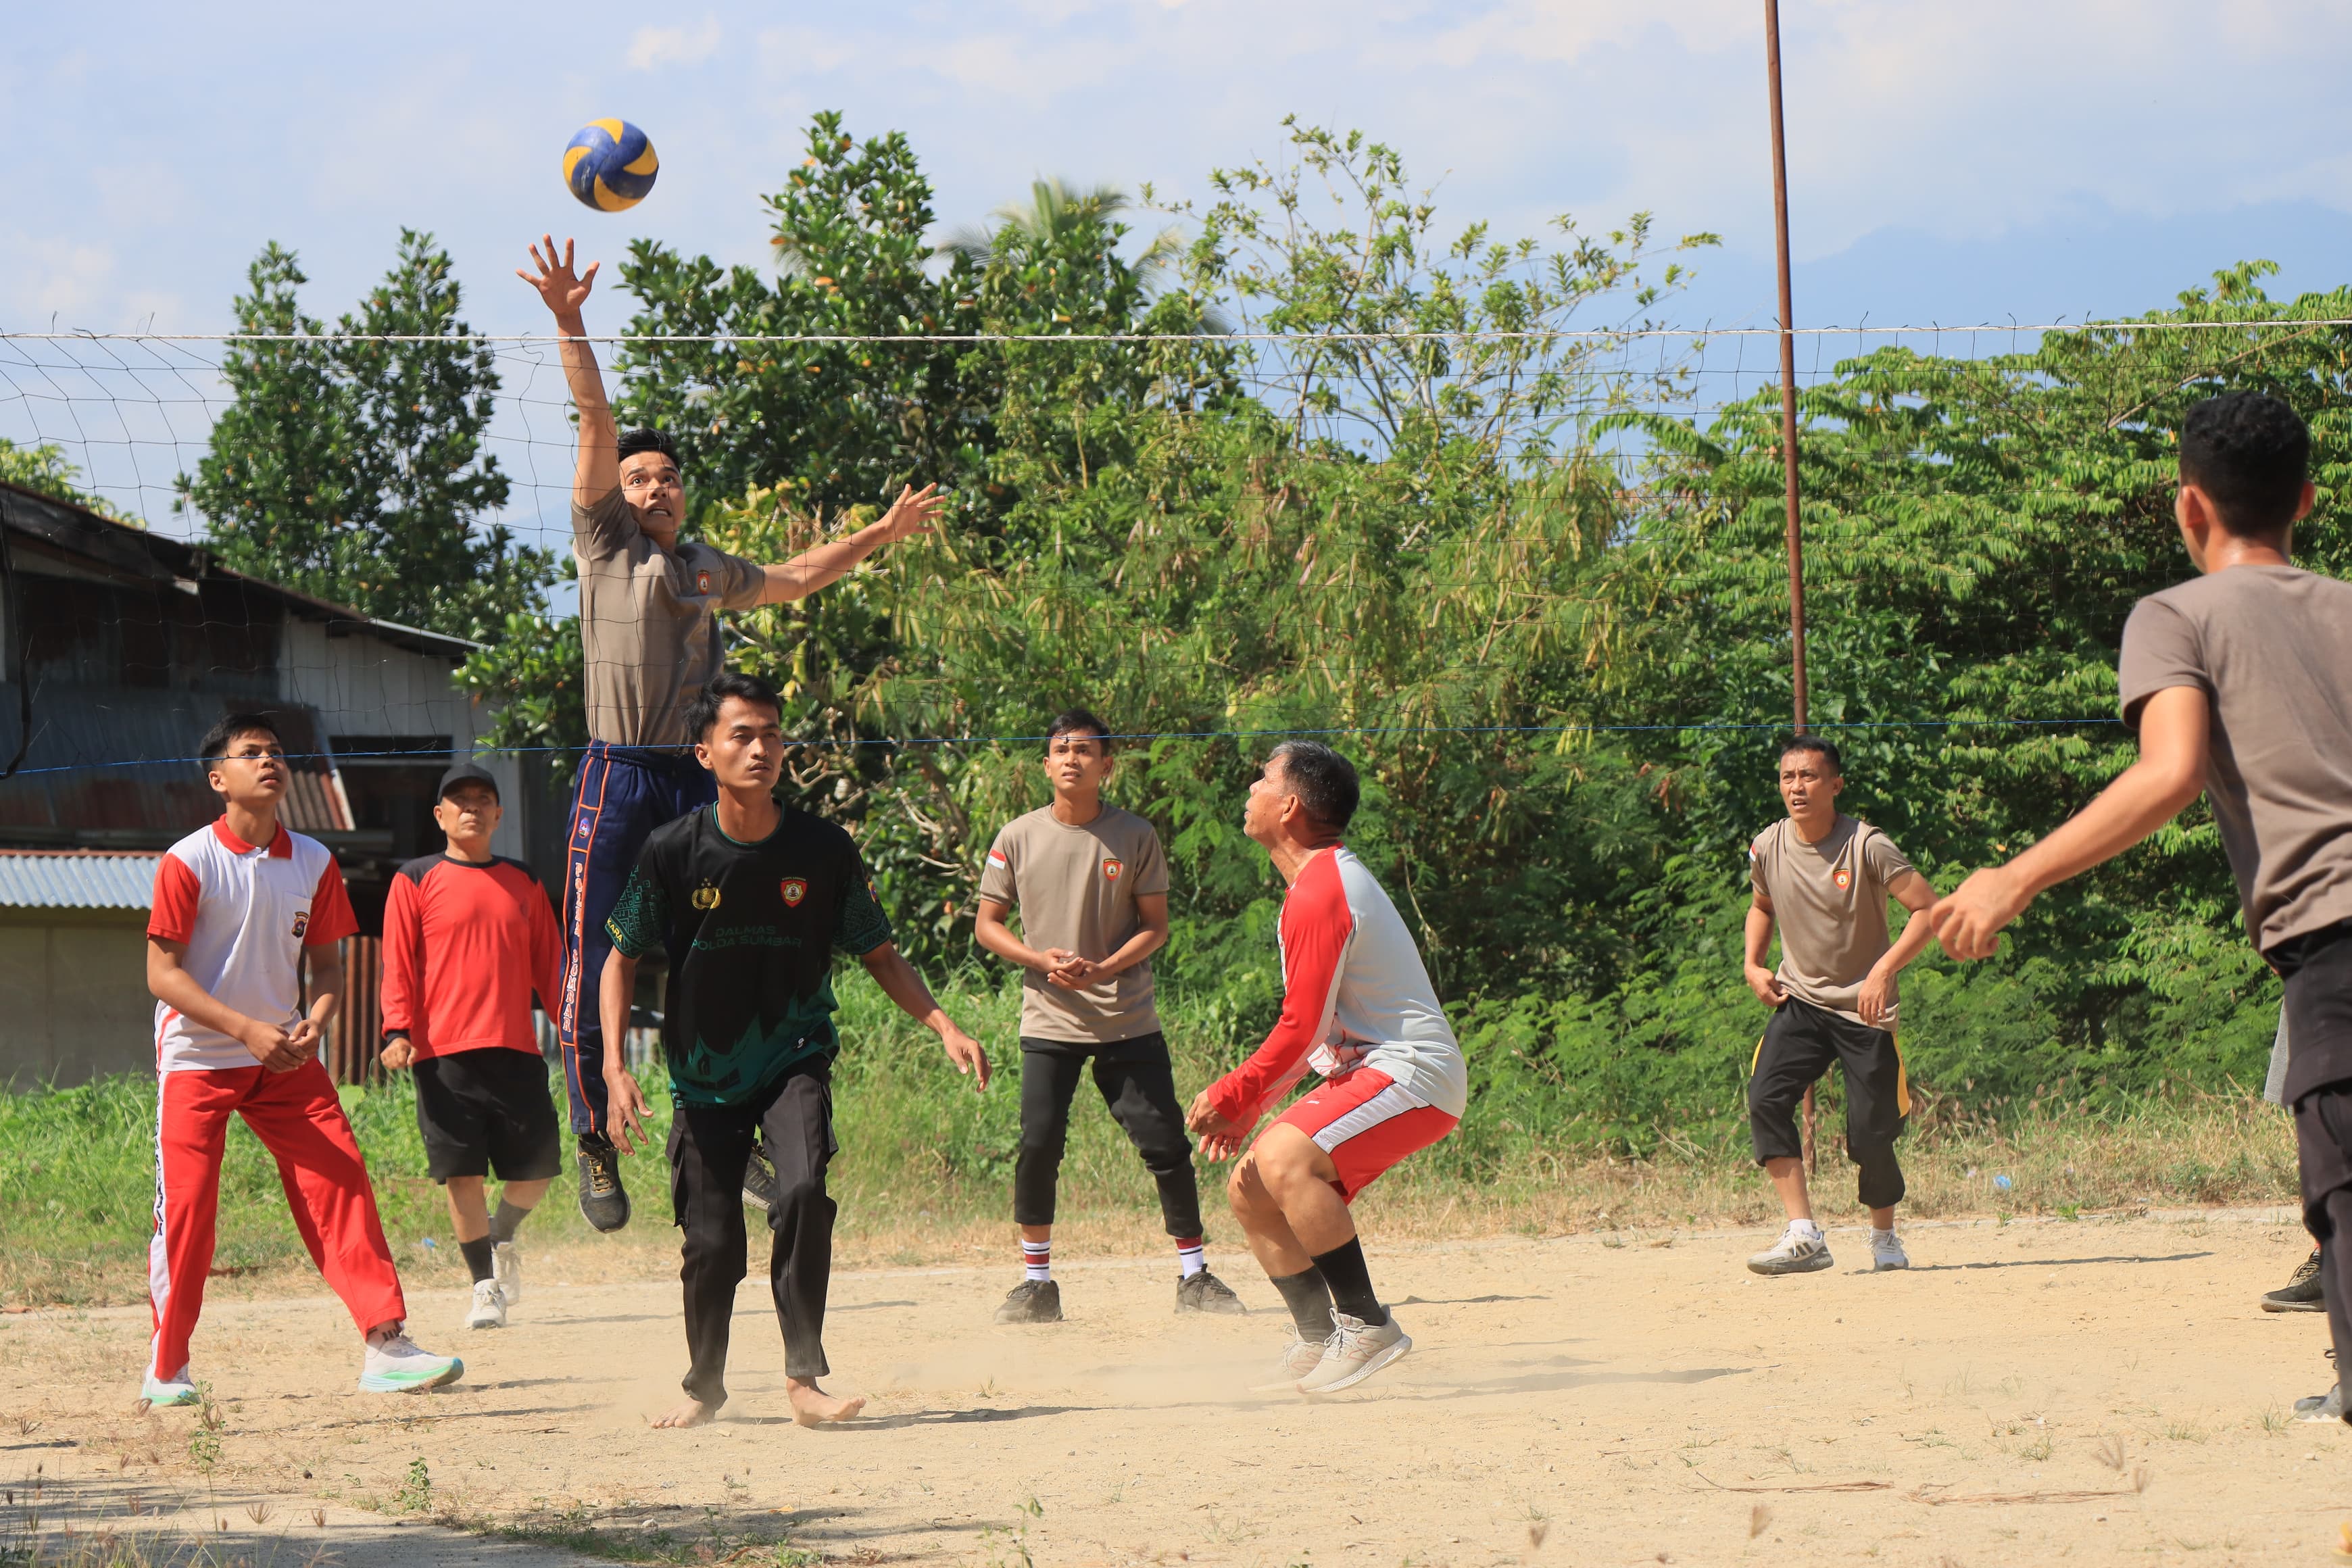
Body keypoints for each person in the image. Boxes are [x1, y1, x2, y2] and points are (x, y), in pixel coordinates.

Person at [1930, 391, 2352, 1421]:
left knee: (2343, 1175)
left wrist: (2013, 876)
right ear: (2305, 499)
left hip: (2333, 931)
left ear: (2189, 509)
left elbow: (2167, 775)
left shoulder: (2177, 615)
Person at [519, 235, 948, 1232]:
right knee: (595, 954)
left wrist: (882, 535)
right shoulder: (603, 542)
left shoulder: (708, 565)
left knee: (723, 951)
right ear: (614, 496)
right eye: (638, 478)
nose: (653, 488)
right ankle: (593, 1133)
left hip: (699, 783)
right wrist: (570, 321)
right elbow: (594, 415)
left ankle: (726, 1123)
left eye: (666, 477)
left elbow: (798, 578)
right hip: (619, 776)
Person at [599, 673, 989, 1428]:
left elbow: (879, 952)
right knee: (713, 1244)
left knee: (805, 1189)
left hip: (794, 1055)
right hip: (704, 1074)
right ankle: (703, 1388)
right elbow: (619, 956)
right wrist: (614, 1068)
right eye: (742, 734)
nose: (761, 747)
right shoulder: (672, 851)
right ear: (705, 752)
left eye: (772, 734)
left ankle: (803, 1379)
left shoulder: (821, 848)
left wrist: (943, 1023)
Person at [142, 713, 462, 1406]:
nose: (269, 761)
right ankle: (167, 1369)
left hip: (284, 1056)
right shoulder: (188, 860)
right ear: (217, 778)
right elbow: (162, 976)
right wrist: (244, 1030)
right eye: (250, 752)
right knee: (190, 1211)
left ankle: (386, 1345)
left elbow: (326, 966)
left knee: (341, 1176)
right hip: (198, 1056)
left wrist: (315, 1022)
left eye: (277, 752)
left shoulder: (314, 861)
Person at [1185, 742, 1467, 1394]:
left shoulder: (1323, 889)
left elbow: (1301, 1027)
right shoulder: (1315, 883)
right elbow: (1314, 1031)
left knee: (1285, 1161)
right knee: (1251, 1187)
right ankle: (1320, 1337)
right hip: (1373, 1069)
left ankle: (1369, 1326)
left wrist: (1234, 1092)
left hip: (1412, 1073)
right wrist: (1253, 1105)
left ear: (1288, 806)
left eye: (1262, 779)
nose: (1250, 789)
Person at [974, 709, 1242, 1323]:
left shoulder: (1135, 835)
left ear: (1107, 766)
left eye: (1085, 751)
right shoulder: (1016, 836)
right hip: (1048, 1020)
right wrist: (1039, 959)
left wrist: (1105, 968)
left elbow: (1156, 928)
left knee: (1167, 1145)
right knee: (1038, 1146)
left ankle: (1195, 1277)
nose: (1072, 759)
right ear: (1044, 764)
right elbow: (988, 927)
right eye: (1061, 750)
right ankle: (1037, 1285)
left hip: (1127, 1017)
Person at [1741, 736, 1939, 1277]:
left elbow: (1927, 910)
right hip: (1801, 1001)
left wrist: (1883, 971)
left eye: (1807, 776)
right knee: (1765, 1097)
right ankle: (1803, 1233)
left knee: (1871, 1133)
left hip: (1864, 1010)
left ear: (1835, 784)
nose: (1796, 787)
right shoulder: (1767, 845)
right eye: (1787, 777)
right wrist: (1753, 965)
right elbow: (1762, 905)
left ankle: (1884, 1237)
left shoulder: (1867, 845)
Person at [379, 762, 566, 1330]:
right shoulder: (414, 879)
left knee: (537, 1170)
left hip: (515, 1049)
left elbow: (551, 966)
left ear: (498, 814)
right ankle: (485, 1286)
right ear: (440, 815)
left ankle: (502, 1233)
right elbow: (398, 962)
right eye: (459, 800)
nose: (472, 808)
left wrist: (578, 1030)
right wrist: (397, 1030)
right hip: (443, 1055)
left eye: (484, 799)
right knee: (463, 1174)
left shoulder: (525, 880)